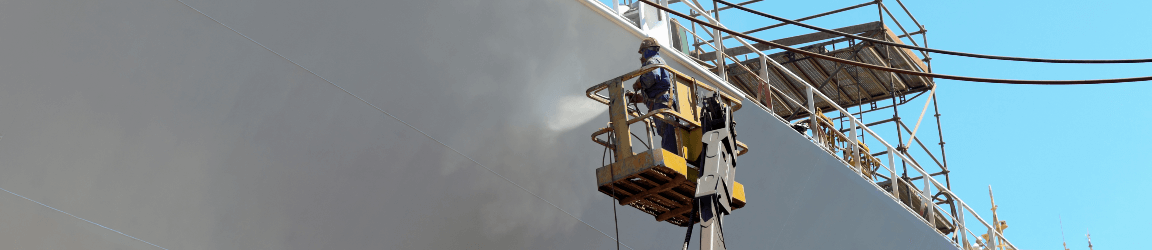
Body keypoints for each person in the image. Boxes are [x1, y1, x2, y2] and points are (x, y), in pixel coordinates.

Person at [630, 37, 678, 153]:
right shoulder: (659, 60)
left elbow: (652, 77)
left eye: (642, 53)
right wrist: (640, 99)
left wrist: (639, 83)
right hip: (663, 102)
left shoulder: (652, 61)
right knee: (667, 132)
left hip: (662, 104)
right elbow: (658, 88)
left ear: (646, 50)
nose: (642, 57)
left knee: (667, 132)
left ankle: (670, 160)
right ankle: (671, 156)